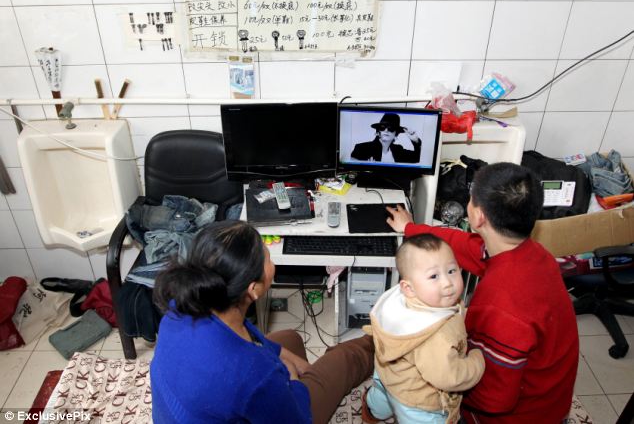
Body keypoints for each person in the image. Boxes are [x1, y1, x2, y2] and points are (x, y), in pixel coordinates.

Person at [386, 162, 579, 424]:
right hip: (549, 398)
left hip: (519, 415)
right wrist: (412, 229)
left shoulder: (501, 307)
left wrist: (436, 385)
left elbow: (494, 398)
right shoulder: (533, 254)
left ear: (477, 216)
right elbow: (463, 245)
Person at [150, 220, 374, 424]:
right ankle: (380, 341)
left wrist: (285, 361)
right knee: (346, 357)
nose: (272, 261)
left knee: (290, 339)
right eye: (268, 258)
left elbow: (242, 334)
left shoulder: (182, 304)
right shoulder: (254, 373)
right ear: (253, 289)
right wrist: (292, 379)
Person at [362, 233, 485, 424]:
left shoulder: (399, 298)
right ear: (408, 287)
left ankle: (372, 411)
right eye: (434, 276)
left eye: (452, 270)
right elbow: (449, 377)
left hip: (388, 375)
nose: (447, 283)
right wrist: (477, 362)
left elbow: (456, 310)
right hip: (416, 404)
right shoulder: (434, 336)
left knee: (381, 396)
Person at [351, 113, 421, 163]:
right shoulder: (362, 148)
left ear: (396, 134)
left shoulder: (398, 150)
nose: (386, 130)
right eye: (382, 127)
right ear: (378, 132)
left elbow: (417, 158)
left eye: (391, 128)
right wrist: (365, 168)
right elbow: (350, 166)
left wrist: (416, 141)